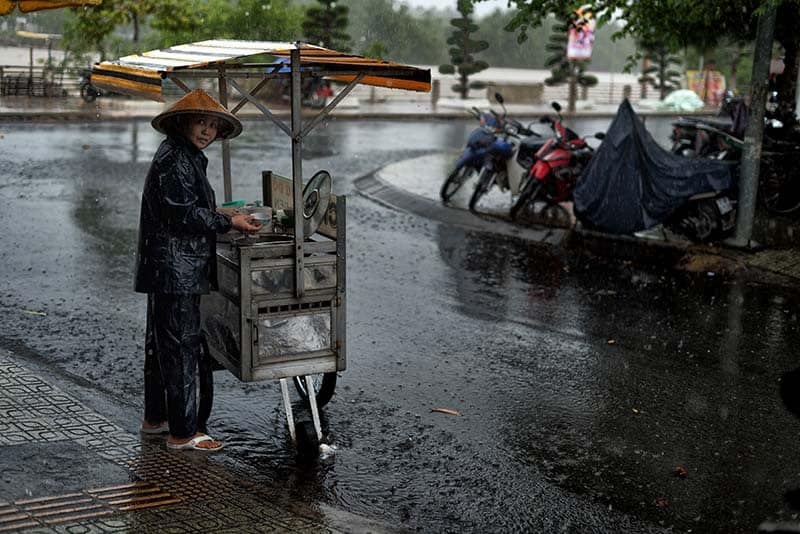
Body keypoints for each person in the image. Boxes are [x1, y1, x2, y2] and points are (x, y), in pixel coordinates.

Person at [134, 88, 261, 451]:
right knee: (181, 346)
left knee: (161, 347)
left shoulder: (182, 154)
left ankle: (157, 419)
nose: (207, 131)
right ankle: (184, 432)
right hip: (176, 267)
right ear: (183, 124)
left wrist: (221, 213)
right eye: (200, 123)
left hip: (166, 266)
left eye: (212, 125)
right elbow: (183, 214)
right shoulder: (175, 159)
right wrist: (228, 223)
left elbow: (184, 205)